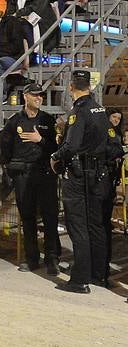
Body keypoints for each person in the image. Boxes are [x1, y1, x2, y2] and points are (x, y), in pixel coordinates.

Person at [50, 70, 110, 293]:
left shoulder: (79, 111)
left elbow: (72, 146)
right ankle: (99, 275)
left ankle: (79, 280)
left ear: (71, 87)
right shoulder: (100, 109)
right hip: (98, 174)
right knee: (96, 226)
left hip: (79, 175)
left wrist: (56, 157)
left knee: (78, 227)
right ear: (90, 87)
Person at [0, 83, 61, 274]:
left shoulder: (48, 120)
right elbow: (5, 146)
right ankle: (31, 258)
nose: (39, 98)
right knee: (27, 217)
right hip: (24, 175)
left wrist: (39, 140)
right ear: (25, 96)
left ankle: (52, 258)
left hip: (45, 174)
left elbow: (56, 148)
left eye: (41, 95)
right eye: (35, 95)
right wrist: (9, 168)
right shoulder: (14, 121)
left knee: (50, 216)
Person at [102, 108, 123, 284]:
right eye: (114, 117)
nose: (116, 120)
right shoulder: (104, 132)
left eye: (118, 118)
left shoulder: (118, 134)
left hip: (111, 181)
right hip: (104, 181)